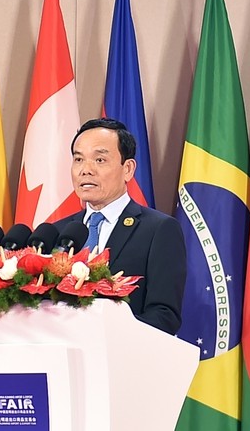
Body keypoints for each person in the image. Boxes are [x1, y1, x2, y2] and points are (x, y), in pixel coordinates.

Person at [54, 118, 186, 335]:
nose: (85, 170)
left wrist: (107, 337)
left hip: (125, 360)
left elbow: (164, 315)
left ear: (128, 169)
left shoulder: (158, 230)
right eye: (78, 159)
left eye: (99, 160)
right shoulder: (58, 233)